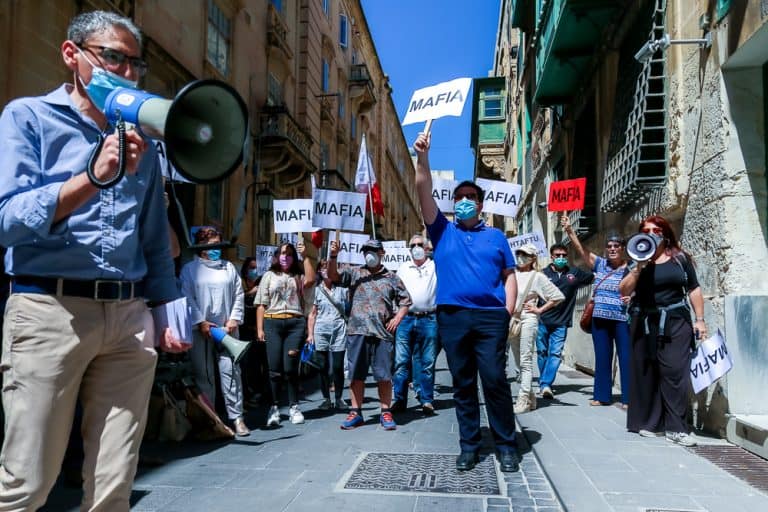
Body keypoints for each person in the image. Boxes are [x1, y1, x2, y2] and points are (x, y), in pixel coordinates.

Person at [0, 10, 187, 510]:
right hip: (49, 311)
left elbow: (153, 239)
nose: (126, 73)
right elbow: (8, 221)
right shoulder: (27, 118)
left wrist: (166, 311)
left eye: (135, 64)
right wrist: (92, 177)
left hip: (128, 319)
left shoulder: (143, 143)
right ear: (72, 54)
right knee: (27, 482)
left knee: (112, 489)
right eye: (113, 58)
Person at [413, 132, 520, 473]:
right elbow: (422, 188)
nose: (464, 201)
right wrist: (423, 157)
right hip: (453, 318)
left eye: (470, 197)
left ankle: (506, 446)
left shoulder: (497, 237)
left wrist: (507, 312)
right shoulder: (442, 230)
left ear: (480, 204)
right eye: (459, 197)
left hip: (490, 318)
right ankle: (469, 446)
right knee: (463, 384)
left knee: (495, 380)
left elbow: (510, 276)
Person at [620, 215, 706, 447]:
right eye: (646, 231)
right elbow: (623, 289)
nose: (651, 234)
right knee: (648, 372)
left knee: (675, 371)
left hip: (676, 320)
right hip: (645, 322)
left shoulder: (680, 258)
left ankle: (676, 428)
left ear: (665, 234)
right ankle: (652, 423)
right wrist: (638, 268)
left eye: (656, 230)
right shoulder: (636, 260)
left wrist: (700, 320)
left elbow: (694, 288)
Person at [327, 238, 411, 431]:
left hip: (382, 334)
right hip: (357, 332)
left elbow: (406, 301)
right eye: (366, 251)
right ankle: (355, 412)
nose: (369, 254)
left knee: (384, 375)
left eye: (373, 250)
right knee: (356, 374)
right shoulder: (355, 273)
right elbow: (333, 276)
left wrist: (397, 318)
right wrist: (333, 255)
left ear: (382, 253)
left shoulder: (392, 277)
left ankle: (385, 412)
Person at [180, 227, 248, 436]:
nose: (217, 249)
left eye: (219, 244)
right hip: (201, 330)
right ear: (201, 246)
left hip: (227, 329)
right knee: (204, 375)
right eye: (212, 245)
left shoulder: (229, 268)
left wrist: (234, 319)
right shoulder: (190, 269)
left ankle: (237, 418)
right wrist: (201, 321)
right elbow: (186, 297)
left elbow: (239, 294)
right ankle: (212, 420)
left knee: (231, 372)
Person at [562, 216, 632, 407]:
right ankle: (602, 396)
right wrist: (570, 231)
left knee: (626, 357)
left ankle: (628, 398)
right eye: (609, 246)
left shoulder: (632, 268)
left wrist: (632, 298)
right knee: (602, 357)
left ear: (623, 248)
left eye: (616, 246)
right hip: (600, 318)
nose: (612, 249)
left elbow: (638, 289)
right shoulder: (600, 264)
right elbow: (582, 251)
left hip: (622, 318)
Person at [255, 242, 316, 426]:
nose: (285, 257)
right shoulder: (268, 276)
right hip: (272, 323)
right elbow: (261, 304)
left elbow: (311, 280)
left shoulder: (298, 276)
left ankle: (294, 406)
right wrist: (260, 329)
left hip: (295, 324)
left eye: (289, 254)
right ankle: (274, 407)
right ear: (276, 256)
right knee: (274, 369)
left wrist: (305, 256)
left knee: (290, 368)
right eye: (282, 253)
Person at [509, 244, 565, 414]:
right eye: (519, 253)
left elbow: (557, 296)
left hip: (528, 319)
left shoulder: (537, 276)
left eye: (525, 254)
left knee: (525, 360)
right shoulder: (511, 274)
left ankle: (523, 399)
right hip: (513, 320)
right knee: (518, 361)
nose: (521, 257)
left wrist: (539, 309)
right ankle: (531, 396)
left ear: (533, 258)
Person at [536, 243, 594, 399]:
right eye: (557, 255)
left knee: (555, 353)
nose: (561, 258)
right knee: (542, 353)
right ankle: (544, 381)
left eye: (564, 255)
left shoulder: (575, 273)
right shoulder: (542, 274)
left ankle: (545, 384)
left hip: (561, 322)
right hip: (542, 320)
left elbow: (595, 276)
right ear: (551, 256)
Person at [392, 234, 439, 415]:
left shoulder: (435, 266)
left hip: (429, 319)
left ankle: (426, 400)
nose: (417, 247)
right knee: (401, 361)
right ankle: (399, 399)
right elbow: (394, 291)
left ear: (427, 248)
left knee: (427, 362)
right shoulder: (403, 268)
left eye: (420, 244)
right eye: (413, 245)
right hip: (406, 319)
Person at [306, 259, 349, 411]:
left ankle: (339, 398)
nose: (326, 271)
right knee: (323, 367)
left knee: (337, 366)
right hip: (321, 330)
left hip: (339, 329)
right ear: (319, 271)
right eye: (323, 268)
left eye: (329, 268)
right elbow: (312, 314)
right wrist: (310, 334)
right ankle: (326, 399)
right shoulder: (316, 290)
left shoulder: (342, 290)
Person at [239, 257, 272, 408]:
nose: (254, 271)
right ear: (245, 270)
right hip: (244, 332)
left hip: (261, 331)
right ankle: (251, 393)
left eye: (256, 268)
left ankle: (265, 392)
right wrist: (249, 293)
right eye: (251, 267)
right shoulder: (240, 284)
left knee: (264, 363)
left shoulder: (263, 285)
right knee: (248, 365)